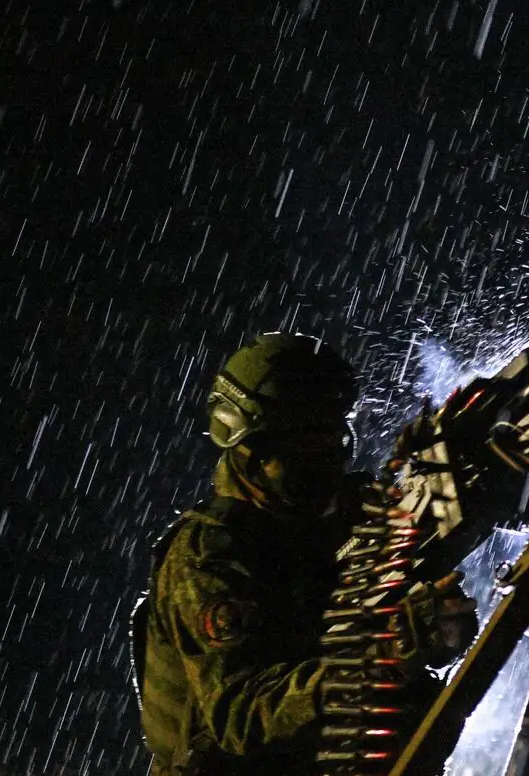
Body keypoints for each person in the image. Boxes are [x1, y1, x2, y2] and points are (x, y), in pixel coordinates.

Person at [135, 332, 477, 776]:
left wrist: (434, 624)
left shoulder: (340, 520)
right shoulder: (208, 557)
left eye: (331, 442)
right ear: (250, 451)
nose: (324, 465)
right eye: (303, 449)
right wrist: (386, 650)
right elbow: (242, 715)